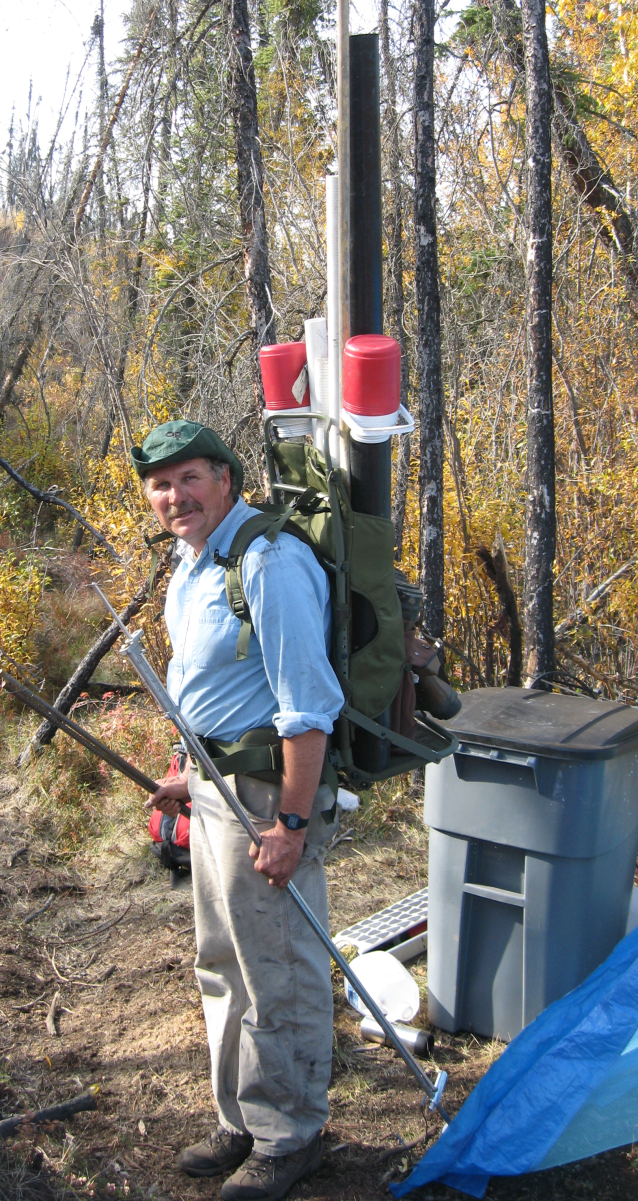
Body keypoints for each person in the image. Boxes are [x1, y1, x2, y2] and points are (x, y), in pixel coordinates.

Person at [131, 420, 344, 1201]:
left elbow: (307, 706)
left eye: (189, 477)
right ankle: (243, 1117)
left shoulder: (269, 561)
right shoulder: (193, 565)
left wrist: (291, 824)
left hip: (266, 799)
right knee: (222, 960)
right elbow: (213, 693)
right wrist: (190, 773)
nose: (173, 496)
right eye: (159, 484)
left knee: (278, 965)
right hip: (217, 790)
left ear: (225, 477)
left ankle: (292, 1133)